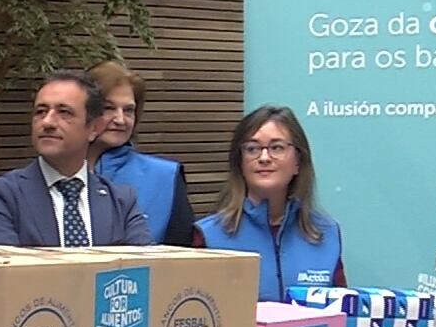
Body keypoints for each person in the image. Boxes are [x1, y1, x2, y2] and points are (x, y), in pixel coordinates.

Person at [0, 71, 152, 247]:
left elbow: (146, 269)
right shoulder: (2, 194)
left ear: (94, 128)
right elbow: (2, 272)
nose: (48, 122)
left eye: (64, 112)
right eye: (41, 111)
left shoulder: (121, 201)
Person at [195, 105, 345, 301]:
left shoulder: (327, 233)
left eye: (277, 148)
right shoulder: (208, 237)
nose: (264, 158)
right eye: (252, 149)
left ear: (298, 161)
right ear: (240, 162)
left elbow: (340, 318)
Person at [88, 60, 195, 245]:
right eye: (108, 108)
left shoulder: (165, 177)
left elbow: (183, 259)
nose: (120, 120)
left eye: (128, 110)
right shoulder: (53, 172)